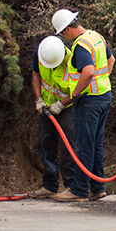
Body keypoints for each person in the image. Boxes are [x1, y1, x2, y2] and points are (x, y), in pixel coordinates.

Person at [50, 9, 114, 202]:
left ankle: (78, 190)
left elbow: (87, 72)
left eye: (62, 33)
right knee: (95, 144)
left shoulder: (80, 46)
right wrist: (103, 80)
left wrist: (76, 94)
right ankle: (97, 187)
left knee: (84, 145)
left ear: (68, 28)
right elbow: (111, 60)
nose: (64, 38)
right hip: (104, 96)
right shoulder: (96, 37)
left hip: (88, 101)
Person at [28, 35, 77, 198]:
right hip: (46, 105)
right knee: (45, 142)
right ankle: (50, 185)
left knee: (69, 144)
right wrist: (38, 100)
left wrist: (61, 104)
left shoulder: (72, 60)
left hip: (67, 105)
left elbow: (77, 89)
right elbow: (36, 75)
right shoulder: (41, 53)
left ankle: (71, 186)